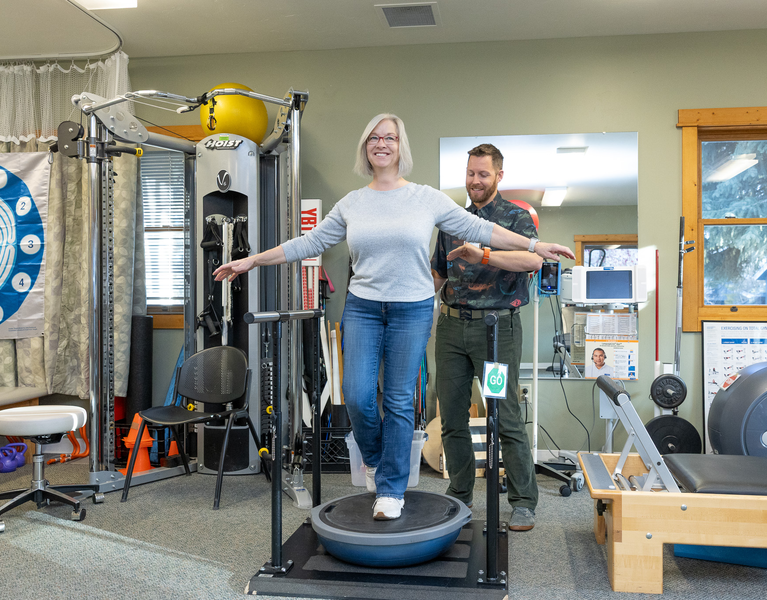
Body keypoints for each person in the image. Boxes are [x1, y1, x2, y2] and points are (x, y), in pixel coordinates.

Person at [214, 116, 572, 521]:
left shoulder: (427, 198)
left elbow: (484, 230)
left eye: (390, 137)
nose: (381, 143)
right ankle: (378, 462)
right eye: (374, 137)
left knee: (402, 400)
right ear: (366, 147)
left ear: (401, 147)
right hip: (365, 307)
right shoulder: (352, 203)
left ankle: (392, 489)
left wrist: (537, 245)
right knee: (359, 394)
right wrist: (253, 261)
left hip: (418, 311)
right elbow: (310, 241)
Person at [431, 143, 575, 532]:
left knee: (504, 416)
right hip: (450, 330)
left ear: (498, 176)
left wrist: (485, 256)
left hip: (496, 332)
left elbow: (533, 260)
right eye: (470, 173)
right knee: (452, 418)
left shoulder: (514, 217)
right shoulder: (451, 220)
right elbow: (438, 276)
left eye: (483, 174)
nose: (475, 181)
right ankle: (460, 496)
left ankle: (523, 500)